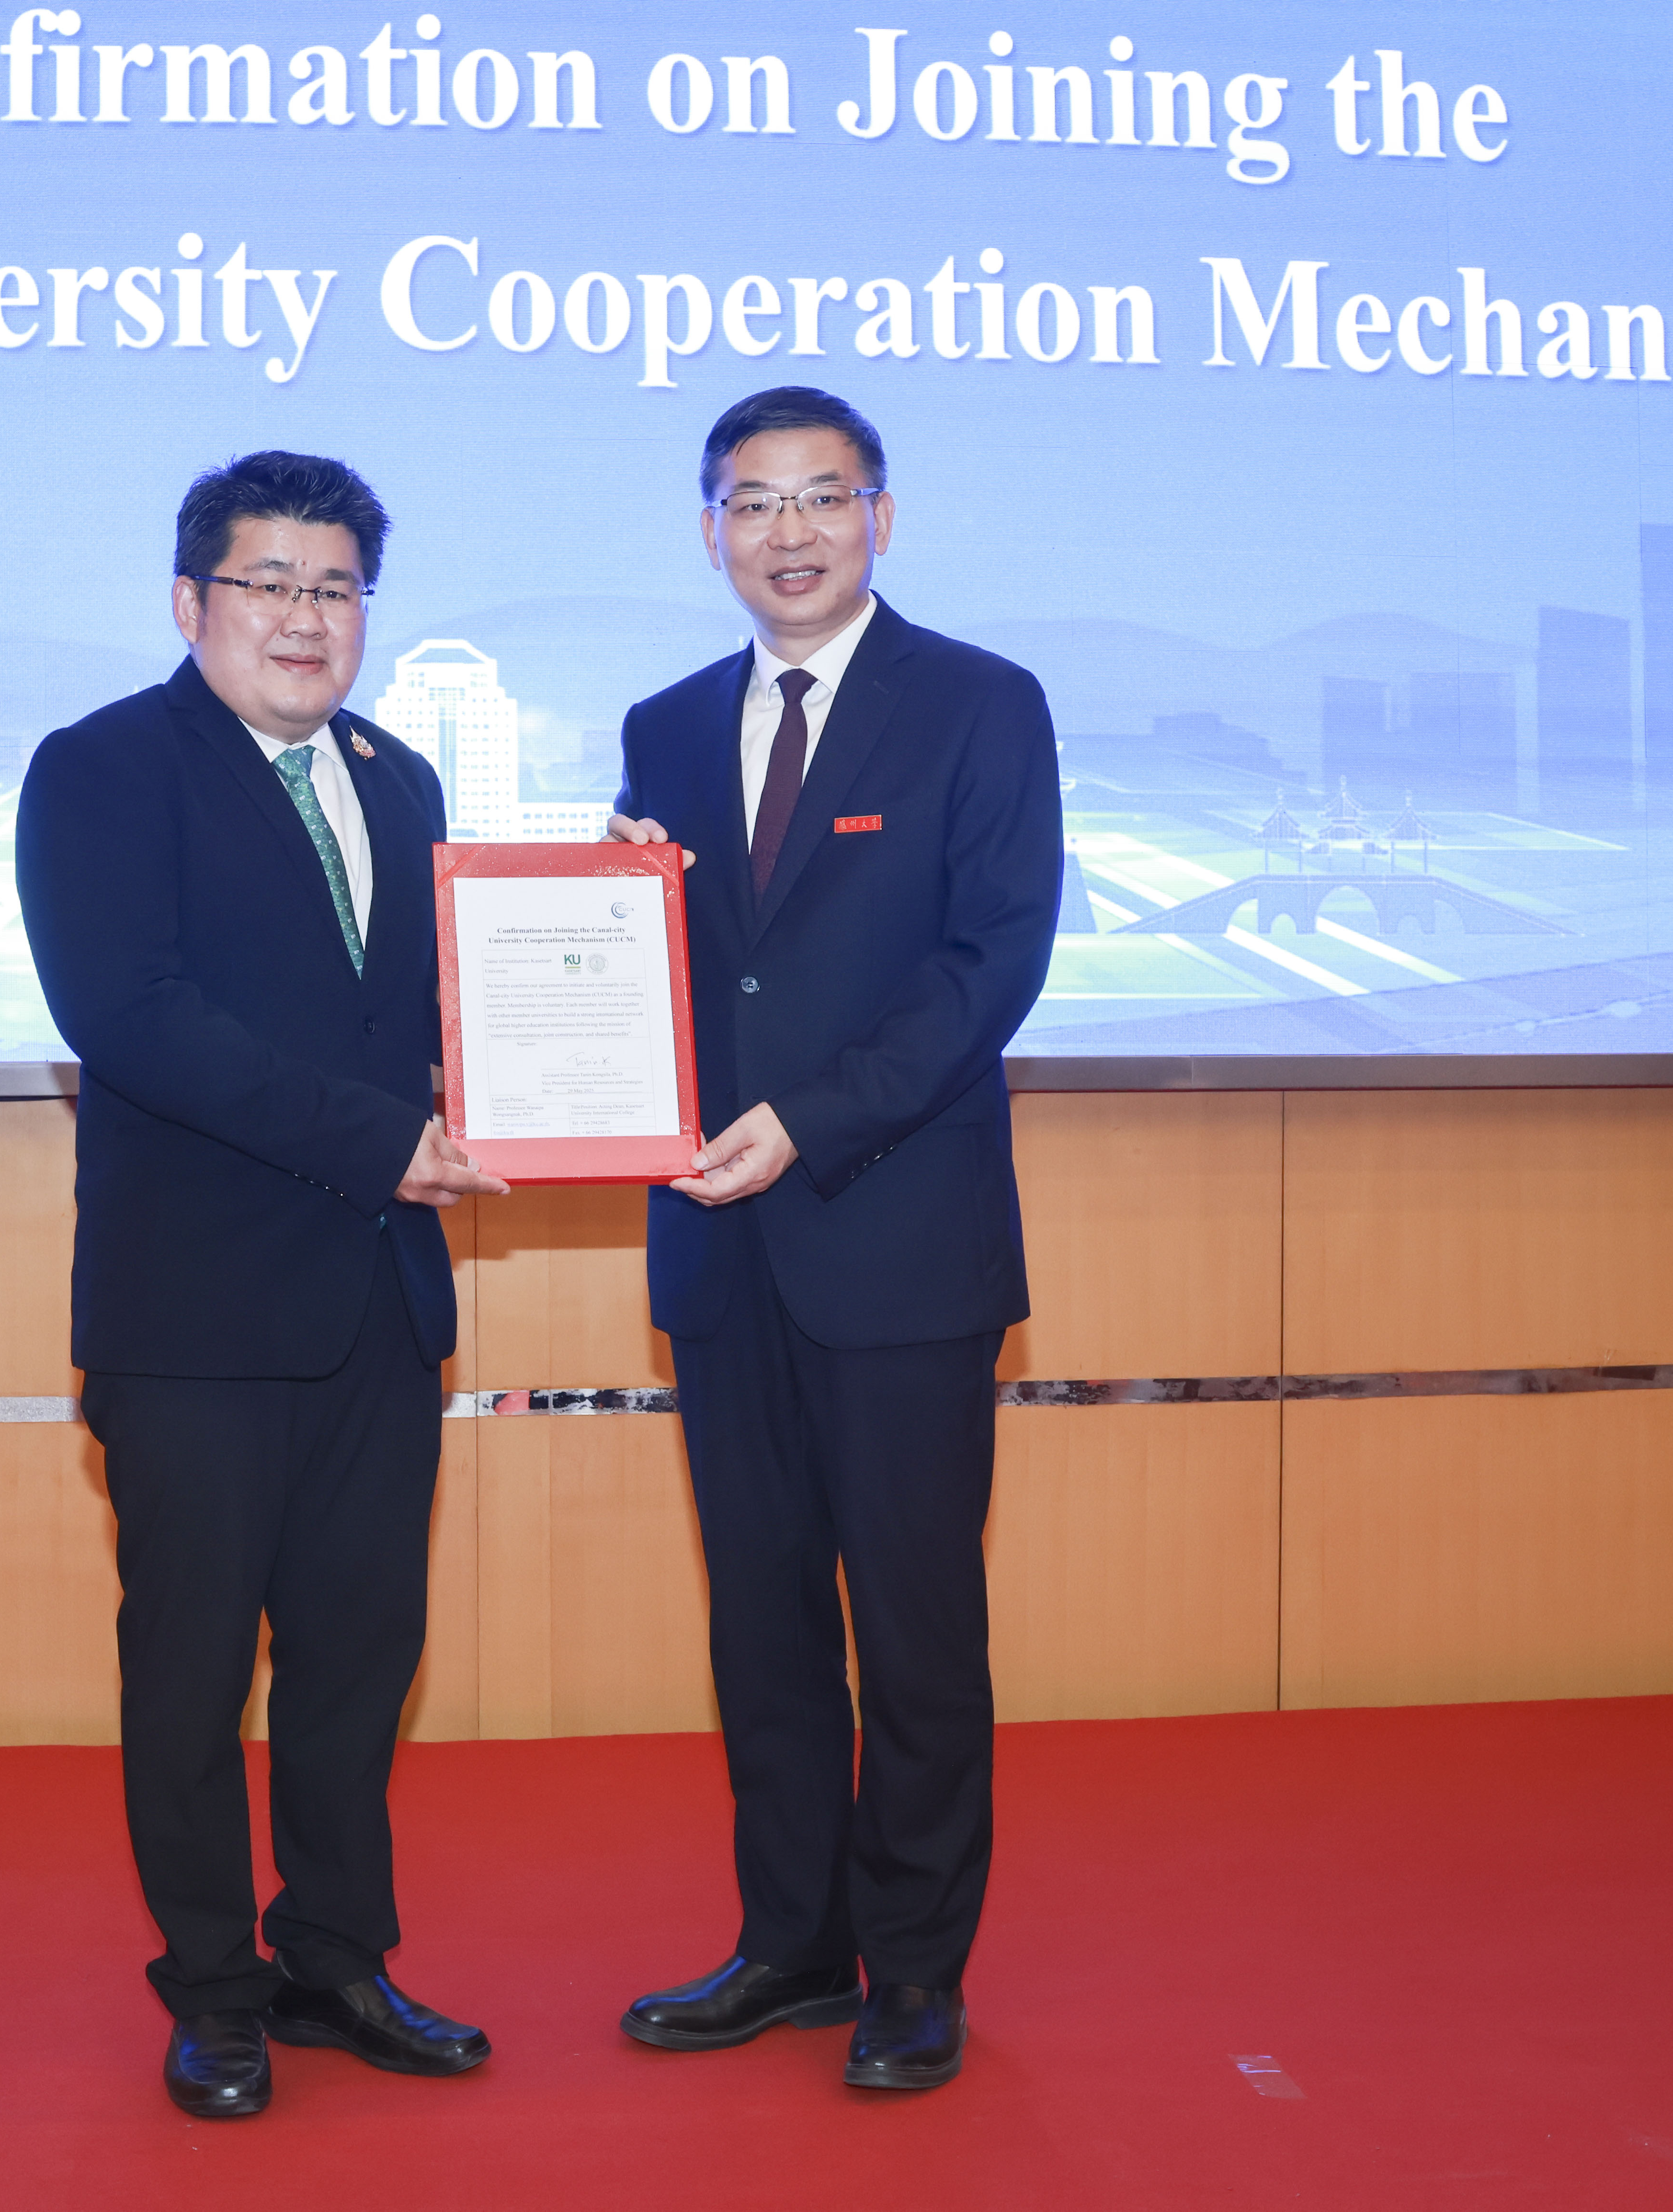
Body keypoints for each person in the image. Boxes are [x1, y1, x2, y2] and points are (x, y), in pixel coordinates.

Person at [15, 450, 507, 2121]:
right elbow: (133, 1017)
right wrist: (381, 1141)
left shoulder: (400, 778)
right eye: (270, 583)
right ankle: (214, 1990)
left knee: (361, 1655)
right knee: (193, 1667)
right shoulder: (102, 769)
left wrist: (606, 916)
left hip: (377, 1303)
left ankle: (336, 1959)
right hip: (198, 1319)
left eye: (337, 587)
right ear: (191, 601)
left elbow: (443, 1013)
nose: (307, 617)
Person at [604, 387, 1063, 2091]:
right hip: (721, 1255)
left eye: (821, 496)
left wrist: (811, 1117)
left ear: (882, 515)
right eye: (752, 502)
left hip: (899, 1240)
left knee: (917, 1628)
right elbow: (675, 973)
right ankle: (792, 1944)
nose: (787, 532)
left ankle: (917, 1968)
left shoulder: (980, 704)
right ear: (709, 530)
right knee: (767, 1621)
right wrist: (607, 910)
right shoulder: (663, 726)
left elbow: (990, 963)